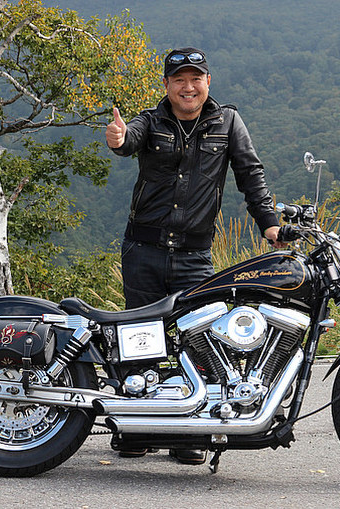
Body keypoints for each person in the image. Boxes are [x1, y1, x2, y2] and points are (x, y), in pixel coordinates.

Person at [105, 47, 284, 464]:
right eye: (179, 80)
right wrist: (119, 139)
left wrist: (269, 223)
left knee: (198, 340)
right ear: (166, 85)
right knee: (140, 338)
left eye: (195, 78)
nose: (188, 87)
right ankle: (135, 428)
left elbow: (250, 174)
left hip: (194, 254)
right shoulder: (151, 121)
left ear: (208, 82)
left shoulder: (228, 122)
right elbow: (128, 140)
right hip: (143, 248)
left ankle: (187, 434)